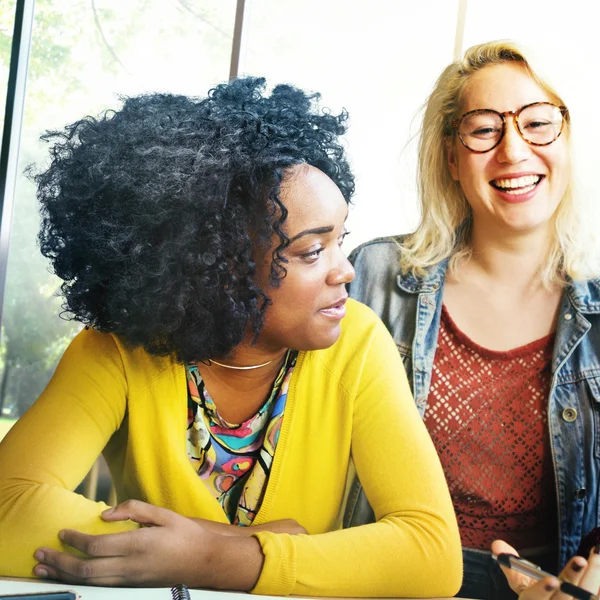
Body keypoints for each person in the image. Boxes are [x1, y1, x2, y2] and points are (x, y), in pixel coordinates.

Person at [0, 78, 462, 596]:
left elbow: (431, 556)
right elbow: (7, 506)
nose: (345, 272)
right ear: (220, 267)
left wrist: (211, 555)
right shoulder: (117, 351)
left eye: (341, 241)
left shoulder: (357, 343)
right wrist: (219, 548)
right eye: (312, 252)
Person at [346, 40, 600, 600]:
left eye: (538, 123)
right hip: (380, 581)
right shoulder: (375, 277)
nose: (513, 151)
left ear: (566, 140)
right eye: (484, 130)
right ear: (450, 158)